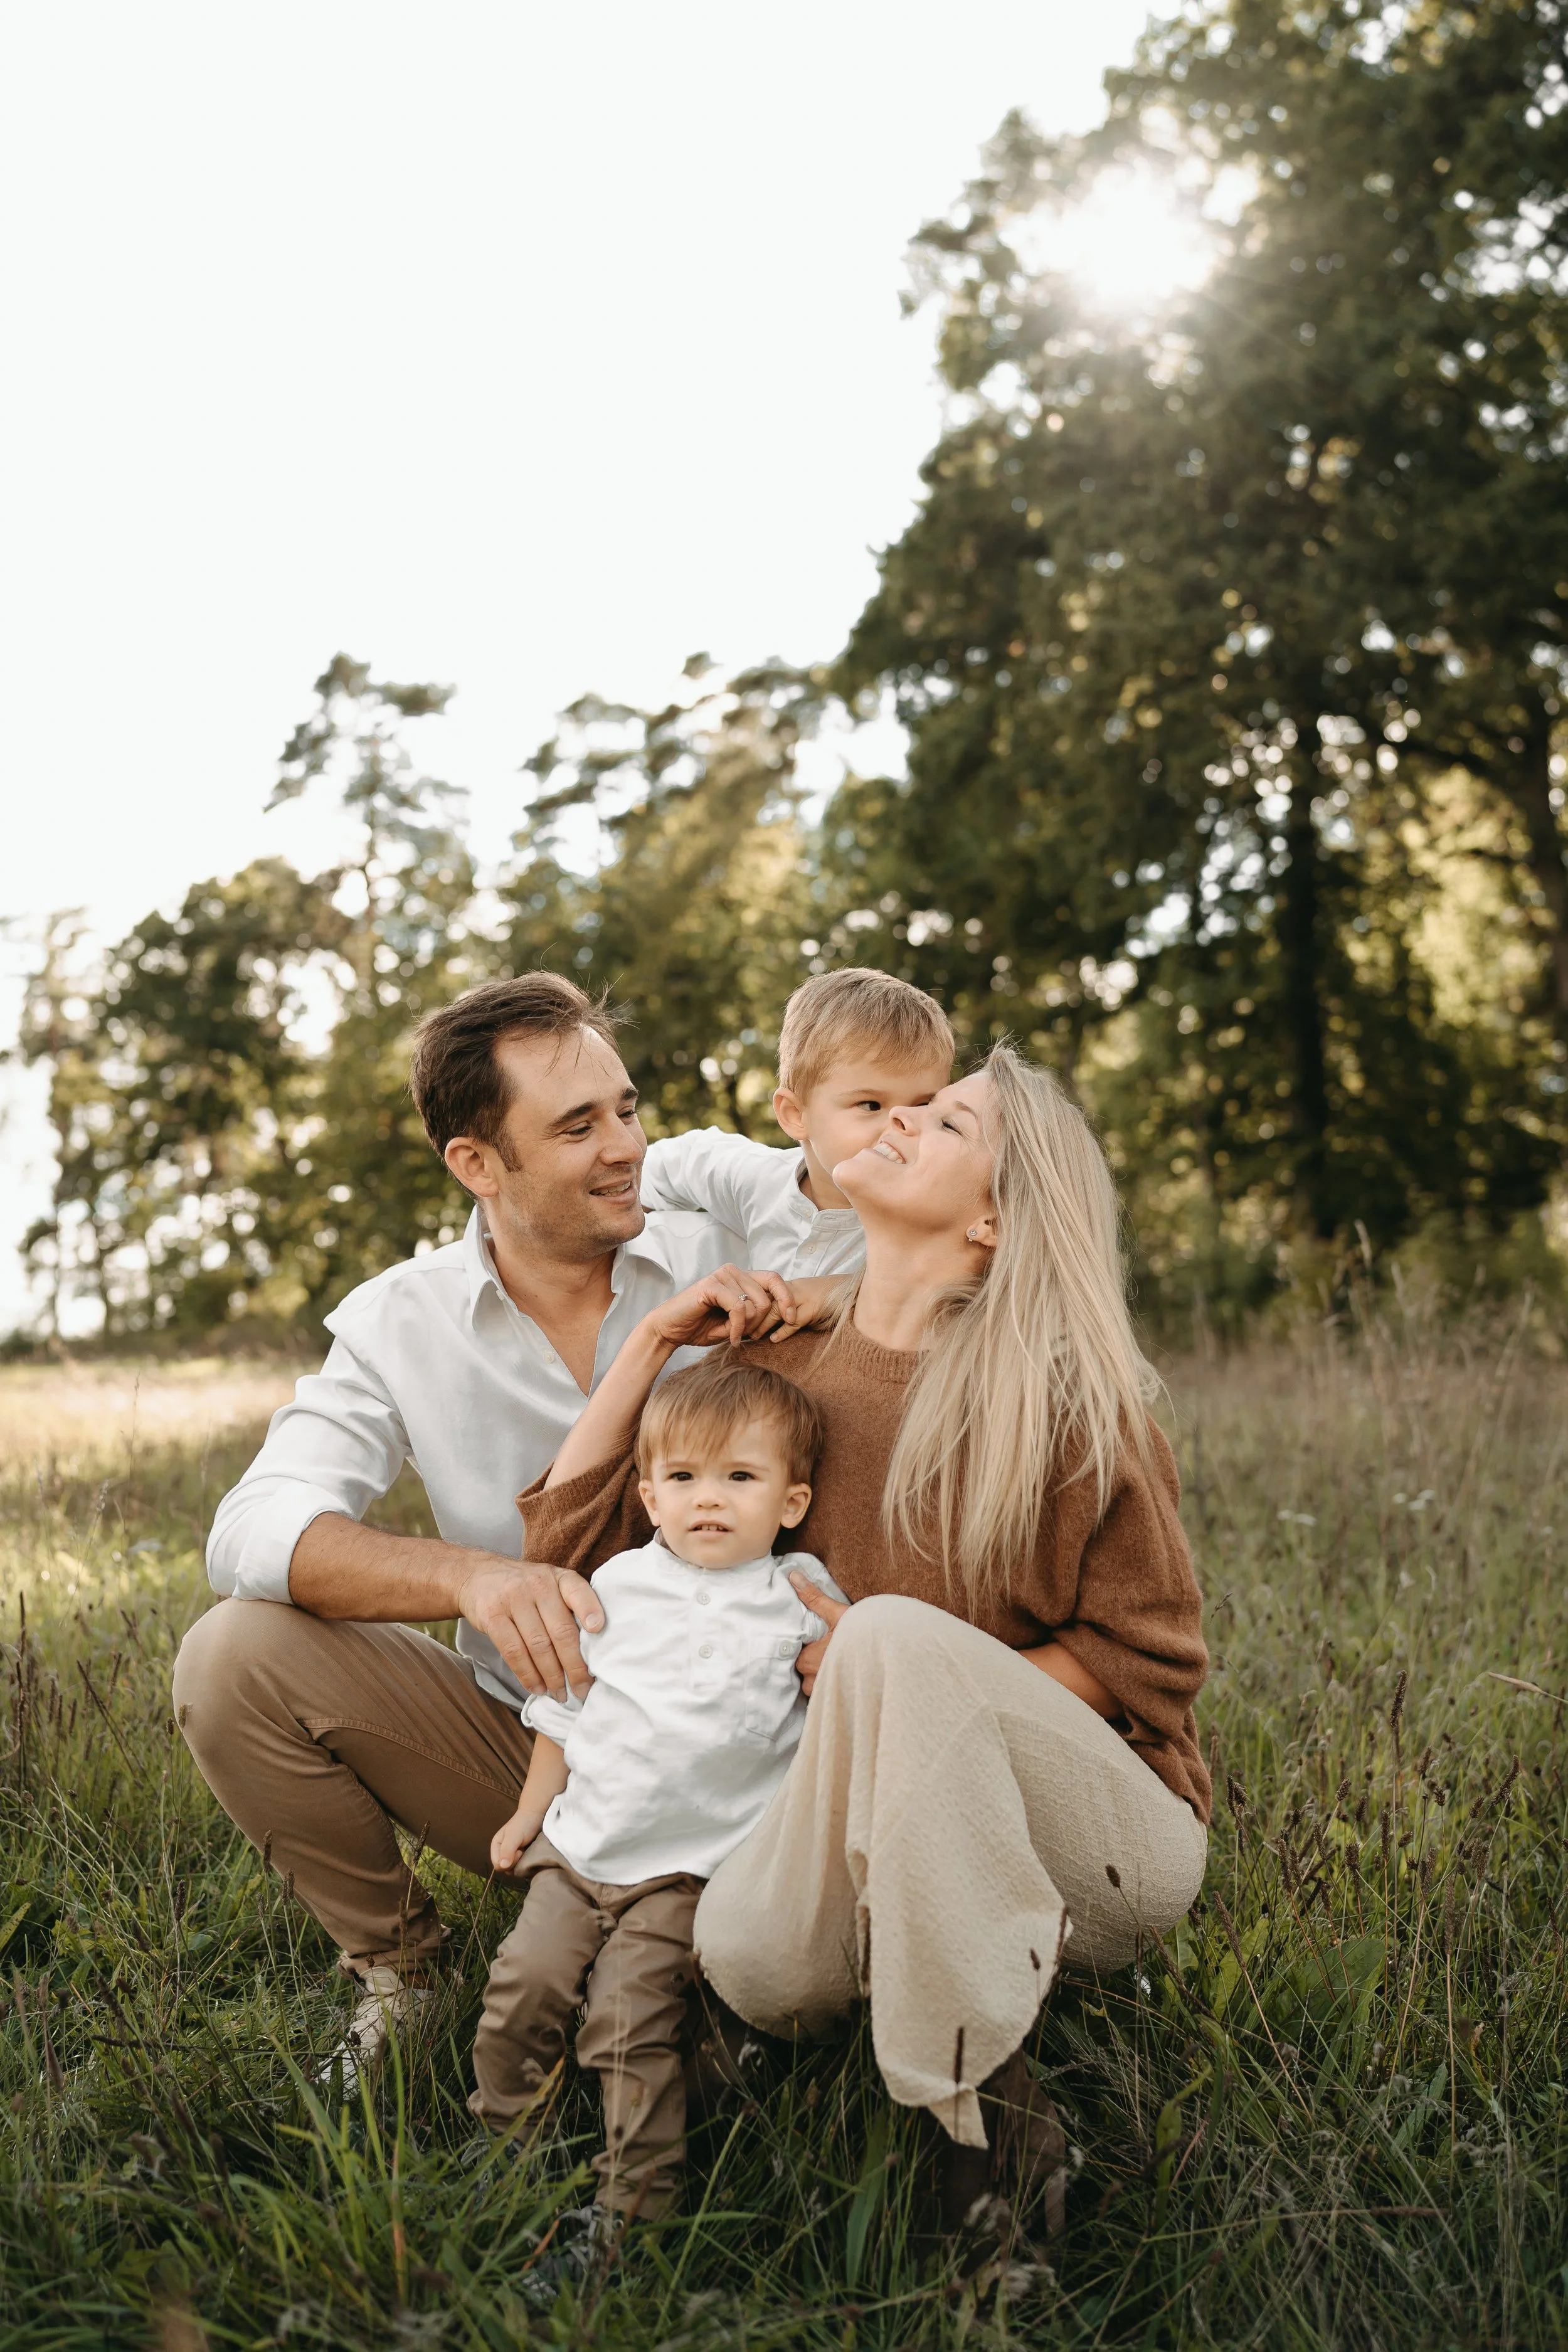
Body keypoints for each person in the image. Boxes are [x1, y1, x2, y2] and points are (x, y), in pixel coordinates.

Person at [521, 1044, 1210, 2235]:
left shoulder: (1063, 1396)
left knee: (886, 1637)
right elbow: (576, 1570)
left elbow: (1144, 1665)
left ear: (994, 1219)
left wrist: (891, 1677)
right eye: (899, 1105)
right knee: (739, 1948)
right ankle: (851, 2064)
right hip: (842, 1852)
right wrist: (650, 1351)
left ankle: (986, 2155)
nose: (900, 1121)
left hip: (1096, 1846)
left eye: (945, 1124)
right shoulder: (769, 1373)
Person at [171, 973, 810, 2077]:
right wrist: (475, 1579)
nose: (626, 1148)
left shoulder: (733, 1254)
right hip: (545, 1761)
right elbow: (253, 1530)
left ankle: (723, 1965)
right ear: (477, 1163)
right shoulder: (399, 1319)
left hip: (766, 1751)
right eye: (577, 1127)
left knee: (740, 2037)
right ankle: (403, 1977)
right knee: (232, 1654)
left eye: (627, 1109)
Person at [468, 1357, 845, 2238]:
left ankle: (633, 2204)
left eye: (739, 1477)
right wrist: (529, 1817)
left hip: (688, 1870)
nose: (707, 1498)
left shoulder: (801, 1596)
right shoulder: (620, 1587)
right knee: (522, 1987)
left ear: (790, 1501)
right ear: (649, 1493)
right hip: (582, 1844)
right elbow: (563, 1712)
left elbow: (844, 1704)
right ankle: (503, 2147)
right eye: (684, 1477)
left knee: (629, 2020)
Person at [640, 967, 953, 1278]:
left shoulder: (933, 1224)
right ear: (795, 1115)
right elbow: (664, 1167)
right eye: (870, 1105)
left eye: (924, 1105)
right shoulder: (757, 1180)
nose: (903, 1123)